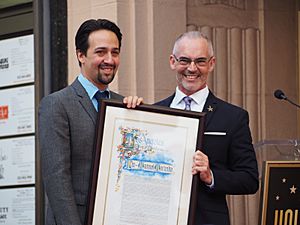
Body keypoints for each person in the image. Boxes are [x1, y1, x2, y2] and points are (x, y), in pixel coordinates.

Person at [38, 19, 142, 225]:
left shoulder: (125, 106)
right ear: (81, 55)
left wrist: (144, 118)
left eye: (115, 52)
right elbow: (57, 178)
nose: (110, 60)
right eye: (101, 52)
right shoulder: (56, 104)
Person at [155, 31, 259, 225]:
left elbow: (250, 179)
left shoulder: (233, 118)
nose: (192, 68)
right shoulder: (153, 114)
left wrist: (211, 176)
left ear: (211, 64)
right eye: (184, 60)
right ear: (172, 62)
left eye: (200, 61)